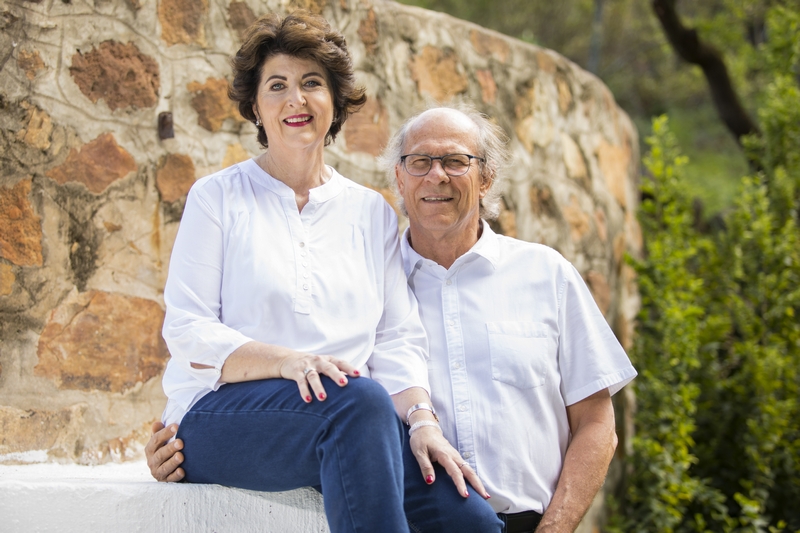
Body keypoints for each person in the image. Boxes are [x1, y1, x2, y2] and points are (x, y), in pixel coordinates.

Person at [149, 100, 636, 532]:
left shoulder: (545, 273)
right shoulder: (366, 276)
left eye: (455, 161)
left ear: (486, 177)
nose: (436, 176)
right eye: (419, 162)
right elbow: (319, 390)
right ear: (399, 178)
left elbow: (596, 423)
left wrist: (554, 529)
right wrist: (191, 437)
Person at [153, 10, 501, 533]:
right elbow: (188, 331)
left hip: (350, 421)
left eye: (311, 83)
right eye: (278, 86)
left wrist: (423, 423)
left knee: (470, 520)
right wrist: (289, 362)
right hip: (218, 418)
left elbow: (396, 338)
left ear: (335, 102)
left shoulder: (371, 212)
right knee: (358, 399)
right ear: (255, 105)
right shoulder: (217, 198)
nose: (296, 99)